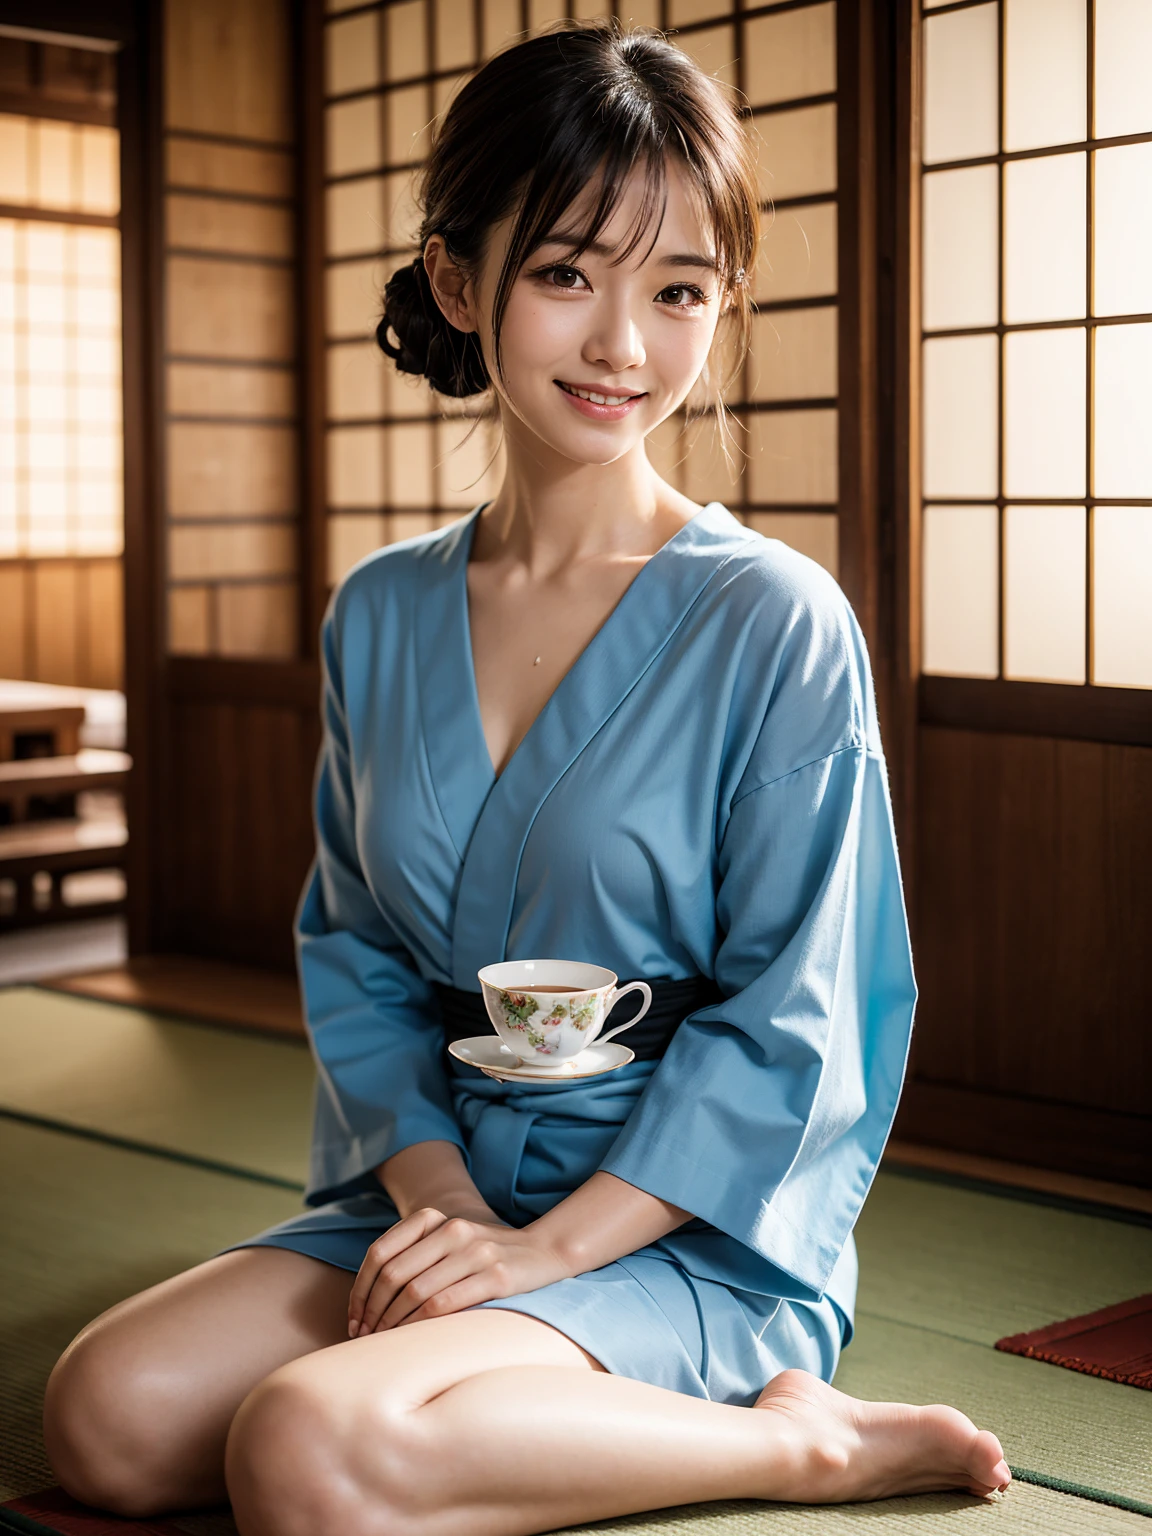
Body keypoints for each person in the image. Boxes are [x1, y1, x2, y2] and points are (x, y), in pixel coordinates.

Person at [43, 23, 1011, 1534]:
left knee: (306, 1454)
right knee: (106, 1417)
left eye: (679, 290)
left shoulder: (773, 620)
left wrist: (550, 1253)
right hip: (434, 1200)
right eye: (567, 273)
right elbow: (357, 955)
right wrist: (444, 1212)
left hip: (681, 1228)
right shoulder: (381, 611)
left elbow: (798, 1028)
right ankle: (495, 1379)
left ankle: (808, 1442)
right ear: (457, 281)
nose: (625, 344)